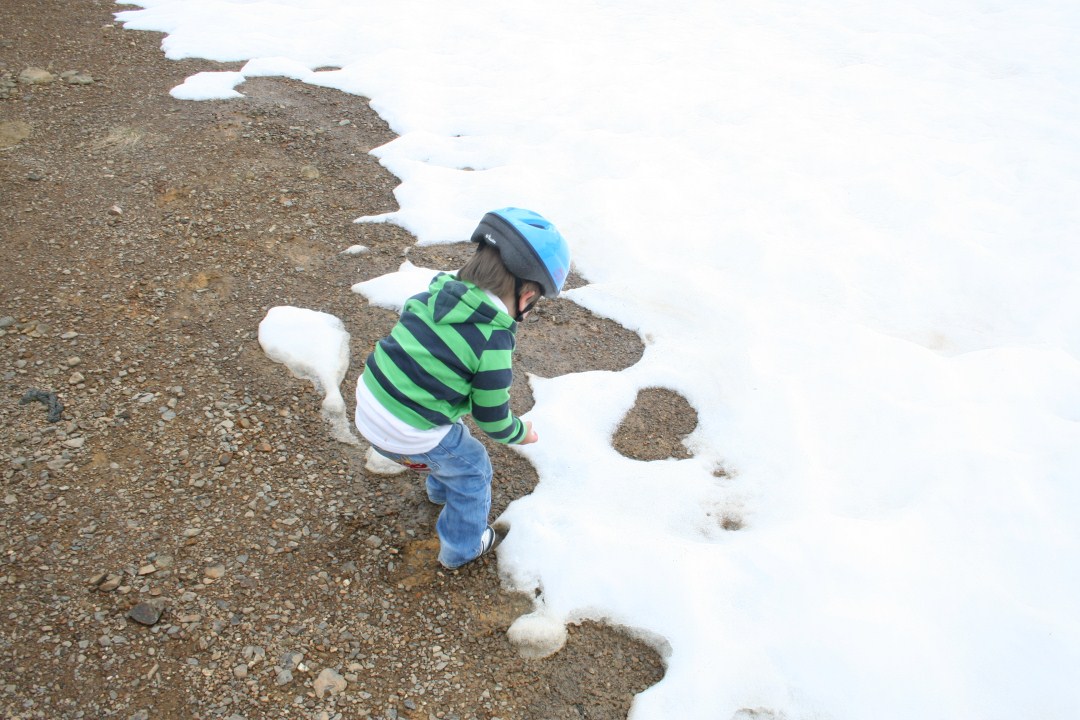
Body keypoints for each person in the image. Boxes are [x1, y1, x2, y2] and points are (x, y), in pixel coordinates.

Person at [354, 207, 571, 569]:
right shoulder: (492, 340)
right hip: (405, 433)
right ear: (527, 293)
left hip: (369, 402)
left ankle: (439, 489)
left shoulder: (433, 295)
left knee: (447, 432)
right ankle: (463, 548)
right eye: (535, 303)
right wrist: (519, 433)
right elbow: (490, 415)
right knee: (473, 468)